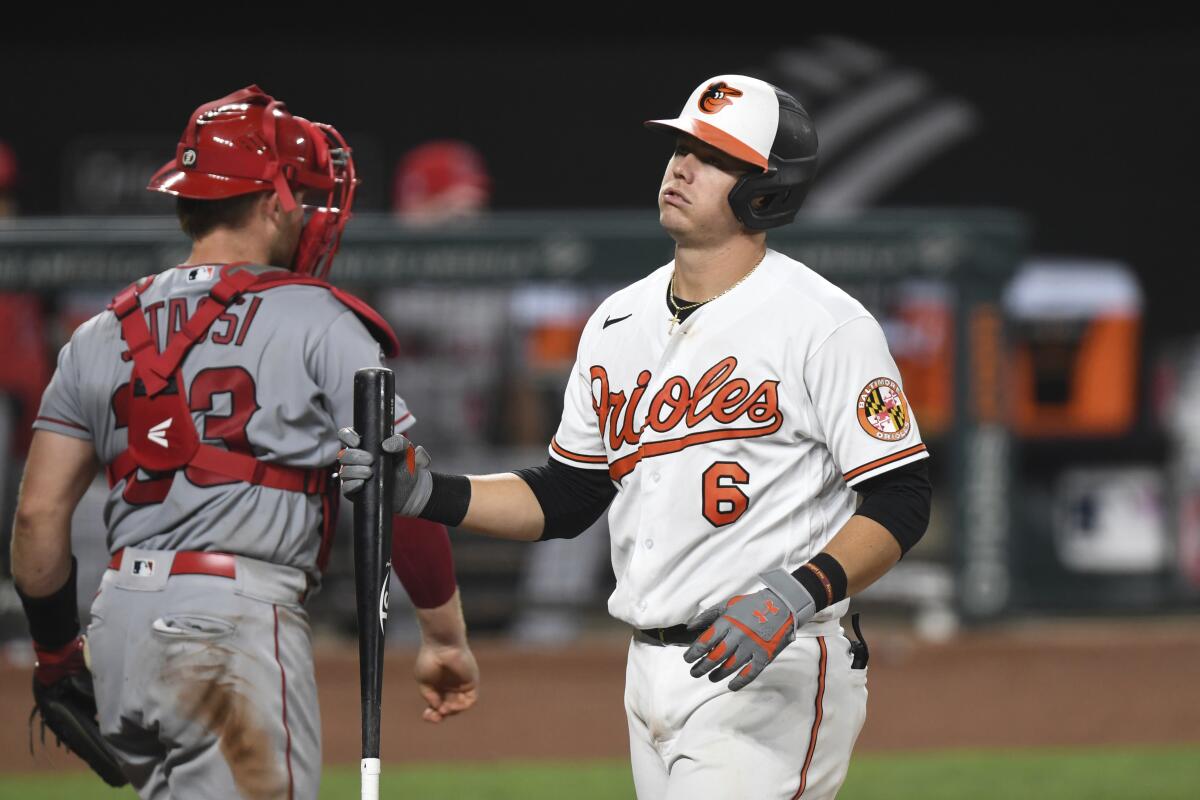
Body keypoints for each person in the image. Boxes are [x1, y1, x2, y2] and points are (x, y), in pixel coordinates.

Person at [339, 75, 932, 799]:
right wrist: (426, 492)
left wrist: (798, 593)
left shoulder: (824, 324)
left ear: (767, 190)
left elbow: (901, 496)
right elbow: (567, 495)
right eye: (682, 146)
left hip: (772, 662)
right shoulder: (618, 321)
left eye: (712, 156)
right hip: (647, 671)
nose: (681, 166)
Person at [11, 85, 478, 799]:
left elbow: (38, 518)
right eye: (302, 193)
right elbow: (398, 489)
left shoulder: (101, 332)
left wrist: (52, 656)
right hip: (230, 632)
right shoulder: (321, 320)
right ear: (272, 201)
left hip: (118, 632)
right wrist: (445, 638)